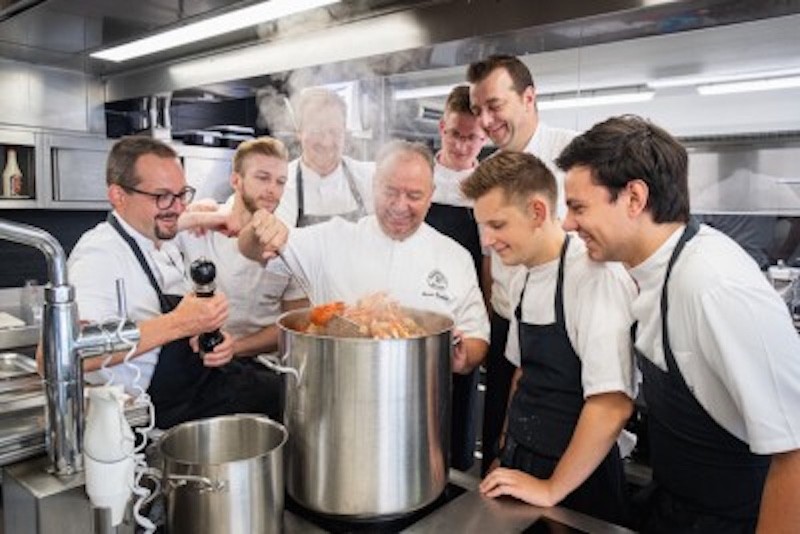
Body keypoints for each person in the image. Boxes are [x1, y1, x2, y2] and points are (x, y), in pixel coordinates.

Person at [555, 114, 800, 533]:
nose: (567, 223)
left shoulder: (711, 285)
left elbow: (795, 451)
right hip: (674, 507)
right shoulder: (650, 272)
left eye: (578, 207)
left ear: (634, 198)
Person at [463, 151, 635, 525]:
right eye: (483, 227)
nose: (488, 240)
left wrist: (551, 488)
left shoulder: (594, 276)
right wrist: (504, 449)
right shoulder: (522, 273)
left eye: (497, 225)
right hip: (522, 460)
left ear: (538, 212)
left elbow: (612, 404)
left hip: (577, 479)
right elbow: (525, 375)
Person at [67, 136, 278, 429]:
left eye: (182, 195)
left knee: (287, 391)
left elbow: (186, 219)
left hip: (200, 385)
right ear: (118, 196)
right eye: (162, 196)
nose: (177, 208)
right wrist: (180, 323)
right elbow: (70, 352)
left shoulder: (159, 240)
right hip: (156, 415)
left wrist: (211, 341)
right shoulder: (99, 254)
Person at [239, 140, 490, 376]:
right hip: (337, 391)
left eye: (413, 196)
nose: (400, 205)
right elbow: (253, 250)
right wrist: (258, 228)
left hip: (419, 402)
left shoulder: (455, 257)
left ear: (431, 193)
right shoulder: (332, 239)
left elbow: (476, 334)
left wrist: (464, 357)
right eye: (390, 191)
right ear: (374, 185)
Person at [467, 54, 577, 473]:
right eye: (478, 110)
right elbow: (488, 256)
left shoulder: (572, 156)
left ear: (528, 98)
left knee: (556, 451)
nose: (486, 121)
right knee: (501, 437)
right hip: (507, 321)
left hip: (563, 327)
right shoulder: (487, 169)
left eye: (495, 106)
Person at [176, 137, 308, 358]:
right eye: (263, 178)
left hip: (261, 367)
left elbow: (296, 323)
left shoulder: (288, 245)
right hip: (195, 360)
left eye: (280, 182)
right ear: (236, 180)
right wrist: (196, 217)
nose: (272, 190)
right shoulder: (200, 226)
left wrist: (234, 348)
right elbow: (147, 231)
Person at [424, 85, 487, 471]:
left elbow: (489, 266)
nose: (463, 147)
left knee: (459, 417)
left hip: (463, 320)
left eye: (473, 138)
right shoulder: (420, 179)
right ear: (441, 128)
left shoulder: (488, 189)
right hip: (415, 314)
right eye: (455, 135)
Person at [274, 87, 375, 228]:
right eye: (316, 131)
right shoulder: (280, 184)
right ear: (299, 132)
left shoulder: (370, 177)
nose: (326, 142)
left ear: (345, 131)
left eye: (334, 131)